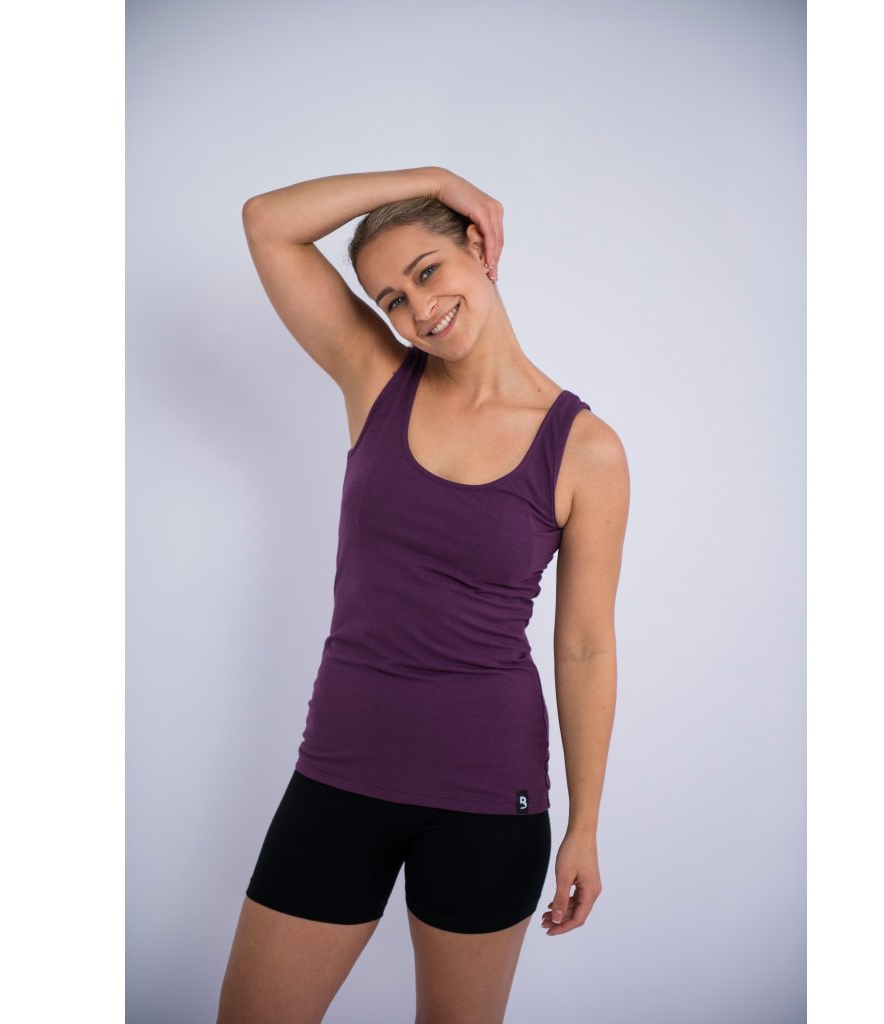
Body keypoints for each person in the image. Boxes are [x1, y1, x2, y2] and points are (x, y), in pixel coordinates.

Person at [216, 166, 629, 1024]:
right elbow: (266, 222)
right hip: (340, 772)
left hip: (489, 795)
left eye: (428, 271)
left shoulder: (585, 449)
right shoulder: (377, 377)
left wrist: (585, 823)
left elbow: (586, 645)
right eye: (392, 299)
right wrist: (435, 178)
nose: (419, 309)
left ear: (480, 246)